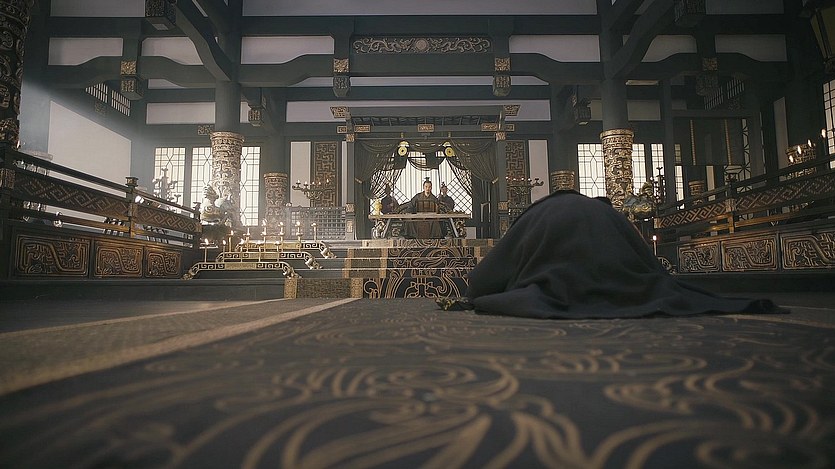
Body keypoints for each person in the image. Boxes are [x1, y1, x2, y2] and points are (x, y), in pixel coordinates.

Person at [463, 190, 785, 319]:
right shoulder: (610, 215)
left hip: (555, 277)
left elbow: (480, 283)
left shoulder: (537, 217)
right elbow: (653, 269)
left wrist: (483, 293)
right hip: (624, 277)